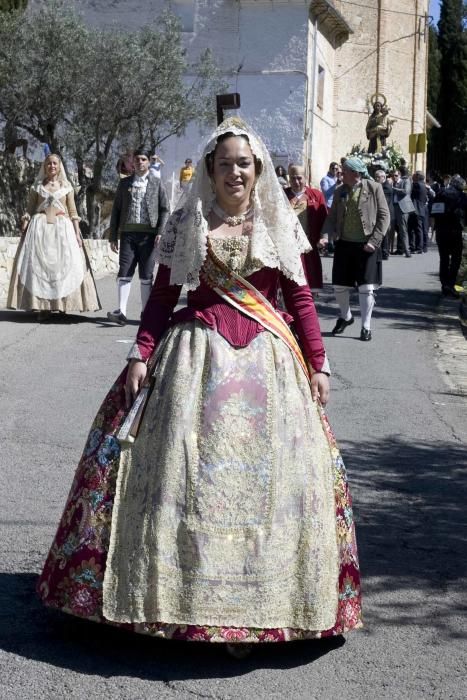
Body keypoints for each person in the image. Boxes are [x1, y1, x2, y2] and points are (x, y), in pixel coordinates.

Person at [37, 117, 362, 656]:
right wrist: (141, 351)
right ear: (208, 170)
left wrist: (319, 363)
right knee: (186, 471)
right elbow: (164, 296)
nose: (234, 172)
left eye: (244, 163)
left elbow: (299, 300)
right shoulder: (189, 221)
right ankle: (178, 600)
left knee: (269, 480)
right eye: (224, 162)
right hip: (195, 359)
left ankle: (265, 605)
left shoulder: (277, 225)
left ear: (257, 170)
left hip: (269, 364)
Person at [7, 153, 101, 318]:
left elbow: (73, 212)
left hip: (61, 230)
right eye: (49, 163)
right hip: (39, 230)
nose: (52, 166)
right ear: (45, 166)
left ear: (59, 167)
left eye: (55, 164)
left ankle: (61, 304)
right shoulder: (36, 187)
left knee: (62, 267)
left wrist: (77, 233)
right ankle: (43, 308)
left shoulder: (67, 188)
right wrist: (25, 222)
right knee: (41, 270)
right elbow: (30, 209)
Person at [321, 156, 390, 341]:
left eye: (344, 171)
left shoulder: (374, 188)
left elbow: (384, 217)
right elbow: (331, 217)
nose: (341, 174)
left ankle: (366, 326)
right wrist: (325, 236)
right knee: (339, 286)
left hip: (367, 245)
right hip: (345, 243)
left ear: (355, 173)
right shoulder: (339, 191)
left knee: (366, 288)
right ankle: (346, 316)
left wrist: (374, 241)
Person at [107, 150, 170, 326]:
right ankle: (121, 312)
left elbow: (165, 209)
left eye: (143, 159)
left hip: (149, 237)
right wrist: (113, 236)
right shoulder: (124, 183)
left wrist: (160, 232)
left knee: (146, 275)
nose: (140, 162)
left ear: (149, 162)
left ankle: (146, 313)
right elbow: (116, 210)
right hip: (127, 235)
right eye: (137, 159)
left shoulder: (157, 183)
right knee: (124, 272)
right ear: (133, 163)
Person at [285, 164, 327, 289]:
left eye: (299, 178)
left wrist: (323, 237)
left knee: (309, 282)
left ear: (305, 177)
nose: (296, 182)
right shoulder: (282, 195)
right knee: (289, 283)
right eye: (293, 178)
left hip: (309, 246)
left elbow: (324, 218)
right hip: (287, 247)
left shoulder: (316, 195)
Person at [431, 174, 467, 298]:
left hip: (441, 231)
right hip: (455, 230)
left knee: (444, 258)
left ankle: (444, 284)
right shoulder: (462, 196)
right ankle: (450, 283)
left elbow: (433, 210)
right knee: (456, 258)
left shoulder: (441, 193)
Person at [392, 166, 415, 257]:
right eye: (393, 176)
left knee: (403, 229)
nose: (394, 177)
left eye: (396, 175)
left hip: (402, 208)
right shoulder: (392, 183)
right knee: (393, 229)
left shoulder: (406, 181)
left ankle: (407, 251)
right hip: (393, 207)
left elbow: (405, 191)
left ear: (400, 175)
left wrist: (392, 188)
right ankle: (398, 249)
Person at [374, 169, 394, 259]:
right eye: (375, 177)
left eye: (378, 177)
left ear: (383, 177)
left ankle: (385, 252)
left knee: (384, 232)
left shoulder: (386, 187)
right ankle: (381, 251)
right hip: (380, 213)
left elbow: (383, 201)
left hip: (386, 213)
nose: (376, 179)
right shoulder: (380, 186)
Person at [409, 171, 428, 254]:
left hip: (417, 210)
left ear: (417, 176)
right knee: (418, 229)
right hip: (421, 209)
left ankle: (418, 248)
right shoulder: (423, 185)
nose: (412, 176)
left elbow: (410, 191)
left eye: (414, 175)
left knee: (417, 229)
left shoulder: (416, 185)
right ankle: (418, 247)